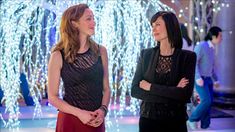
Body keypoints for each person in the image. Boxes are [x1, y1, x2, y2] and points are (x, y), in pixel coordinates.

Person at [47, 4, 110, 132]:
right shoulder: (58, 55)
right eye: (88, 19)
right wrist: (80, 113)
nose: (94, 22)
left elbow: (107, 88)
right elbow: (52, 97)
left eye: (93, 18)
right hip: (70, 121)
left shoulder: (101, 51)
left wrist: (103, 110)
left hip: (96, 121)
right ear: (74, 24)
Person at [131, 11, 197, 132]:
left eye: (157, 24)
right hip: (148, 121)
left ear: (170, 25)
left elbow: (185, 95)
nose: (153, 29)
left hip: (175, 122)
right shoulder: (146, 55)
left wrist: (150, 87)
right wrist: (173, 91)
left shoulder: (188, 57)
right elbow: (135, 90)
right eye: (152, 26)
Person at [188, 26, 222, 129]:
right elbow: (193, 62)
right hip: (200, 79)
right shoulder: (201, 46)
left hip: (208, 79)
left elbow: (210, 67)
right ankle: (192, 119)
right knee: (206, 100)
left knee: (209, 101)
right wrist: (198, 77)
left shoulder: (212, 48)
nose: (221, 38)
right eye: (220, 36)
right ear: (213, 36)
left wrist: (215, 79)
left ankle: (205, 124)